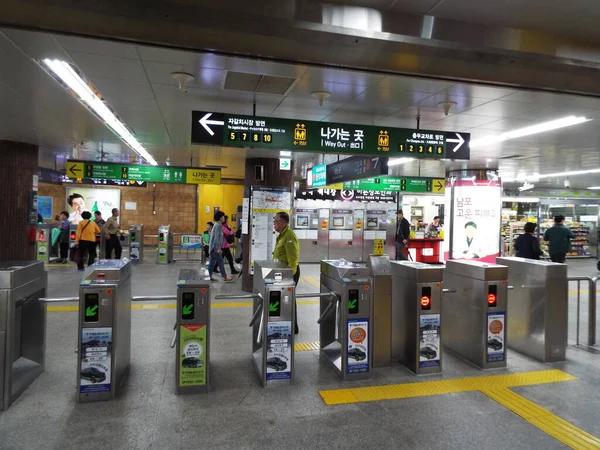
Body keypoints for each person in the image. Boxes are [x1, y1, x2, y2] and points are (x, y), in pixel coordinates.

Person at [272, 211, 300, 334]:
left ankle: (293, 327)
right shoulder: (283, 234)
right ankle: (287, 324)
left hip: (290, 272)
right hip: (283, 272)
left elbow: (293, 259)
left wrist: (290, 278)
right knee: (285, 298)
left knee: (289, 298)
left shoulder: (289, 236)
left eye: (275, 221)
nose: (274, 224)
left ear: (283, 223)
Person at [208, 211, 233, 282]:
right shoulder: (218, 226)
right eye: (223, 216)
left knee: (212, 263)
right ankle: (225, 277)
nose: (224, 218)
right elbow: (216, 238)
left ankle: (209, 276)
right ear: (220, 218)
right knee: (220, 262)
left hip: (213, 248)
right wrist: (218, 249)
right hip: (215, 248)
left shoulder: (217, 225)